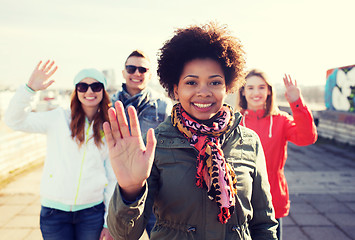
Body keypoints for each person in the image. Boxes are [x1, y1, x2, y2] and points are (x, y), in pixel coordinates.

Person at [104, 22, 278, 239]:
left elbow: (264, 223)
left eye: (214, 83)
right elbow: (125, 234)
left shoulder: (248, 141)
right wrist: (130, 190)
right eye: (191, 83)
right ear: (175, 89)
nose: (203, 92)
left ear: (228, 87)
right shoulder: (157, 143)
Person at [4, 60, 116, 240]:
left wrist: (108, 221)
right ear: (76, 90)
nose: (89, 91)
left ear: (103, 91)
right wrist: (29, 90)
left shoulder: (109, 126)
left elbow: (113, 177)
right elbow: (13, 121)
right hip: (54, 213)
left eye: (96, 86)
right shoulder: (57, 118)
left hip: (91, 212)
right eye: (82, 86)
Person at [237, 69, 318, 239]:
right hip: (239, 199)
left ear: (268, 91)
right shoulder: (234, 121)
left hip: (272, 198)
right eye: (250, 88)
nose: (256, 92)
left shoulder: (281, 120)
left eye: (261, 87)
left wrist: (296, 102)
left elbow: (307, 138)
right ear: (243, 92)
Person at [111, 50, 172, 236]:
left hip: (158, 189)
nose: (137, 73)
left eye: (142, 69)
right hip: (122, 188)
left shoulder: (163, 105)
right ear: (123, 73)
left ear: (149, 75)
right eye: (131, 68)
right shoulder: (110, 105)